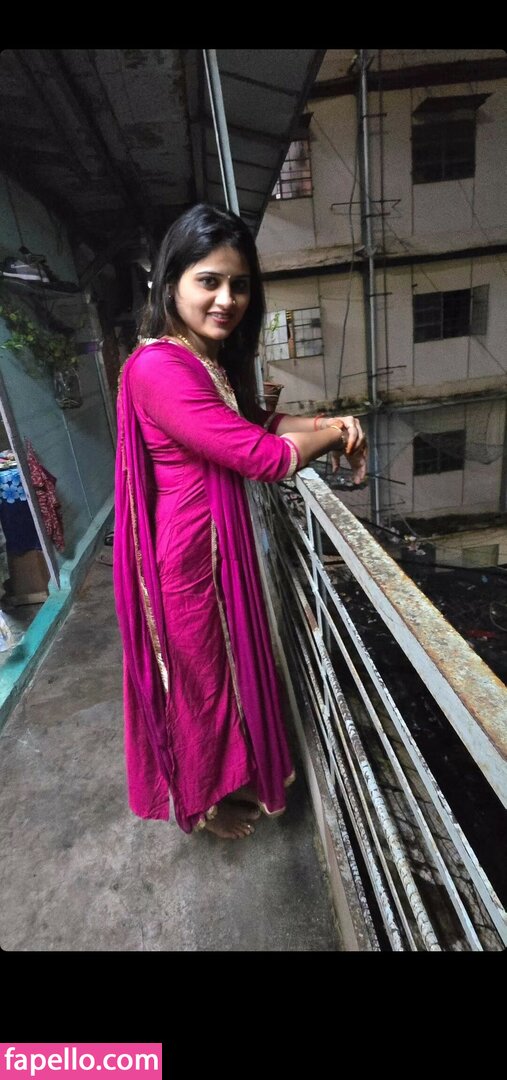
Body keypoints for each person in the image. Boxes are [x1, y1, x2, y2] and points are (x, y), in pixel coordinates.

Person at [113, 203, 367, 840]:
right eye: (209, 281)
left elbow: (254, 421)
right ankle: (202, 806)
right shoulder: (159, 367)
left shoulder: (203, 358)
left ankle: (225, 780)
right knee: (198, 687)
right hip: (187, 559)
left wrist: (329, 423)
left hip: (217, 546)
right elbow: (263, 456)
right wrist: (333, 436)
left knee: (222, 676)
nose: (227, 299)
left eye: (240, 284)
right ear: (170, 282)